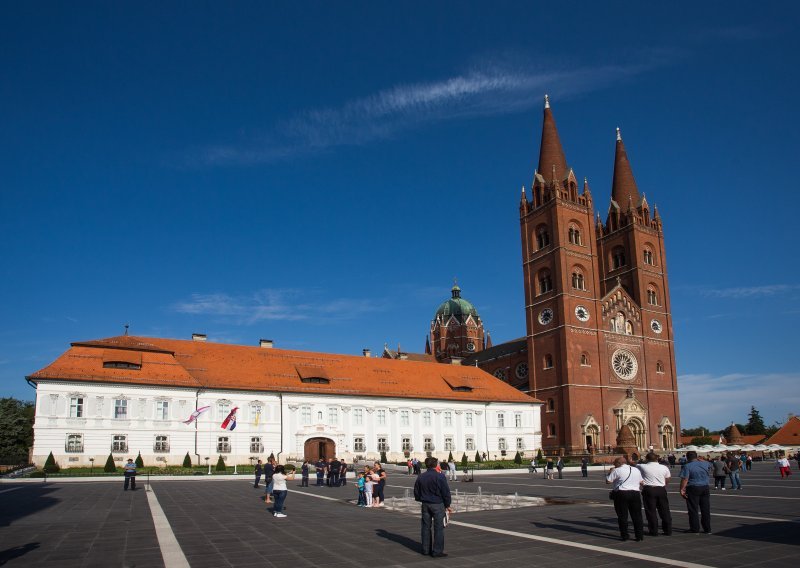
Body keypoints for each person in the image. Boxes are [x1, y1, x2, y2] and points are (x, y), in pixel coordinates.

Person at [414, 456, 453, 558]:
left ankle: (425, 549)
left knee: (425, 527)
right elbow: (446, 492)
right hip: (437, 504)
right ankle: (437, 551)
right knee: (438, 528)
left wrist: (421, 499)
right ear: (435, 465)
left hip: (425, 504)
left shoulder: (421, 476)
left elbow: (416, 492)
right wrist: (447, 505)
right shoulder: (439, 476)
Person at [606, 456, 644, 541]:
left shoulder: (616, 470)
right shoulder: (635, 469)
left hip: (622, 494)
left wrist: (610, 472)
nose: (614, 465)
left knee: (622, 516)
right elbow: (641, 482)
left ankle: (625, 535)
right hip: (635, 493)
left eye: (615, 463)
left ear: (619, 463)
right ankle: (639, 535)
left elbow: (608, 481)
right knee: (637, 515)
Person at [637, 452, 672, 536]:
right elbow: (668, 478)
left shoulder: (643, 466)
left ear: (647, 459)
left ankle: (653, 531)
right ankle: (668, 530)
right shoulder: (664, 467)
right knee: (665, 510)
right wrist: (663, 485)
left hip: (649, 489)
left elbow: (632, 464)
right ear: (657, 458)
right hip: (661, 489)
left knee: (650, 511)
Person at [679, 451, 712, 534]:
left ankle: (695, 528)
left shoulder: (687, 466)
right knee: (705, 509)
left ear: (687, 457)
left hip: (693, 487)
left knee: (693, 509)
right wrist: (702, 460)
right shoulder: (705, 464)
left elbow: (685, 479)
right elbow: (711, 466)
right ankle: (707, 529)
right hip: (705, 487)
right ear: (697, 457)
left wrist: (682, 489)